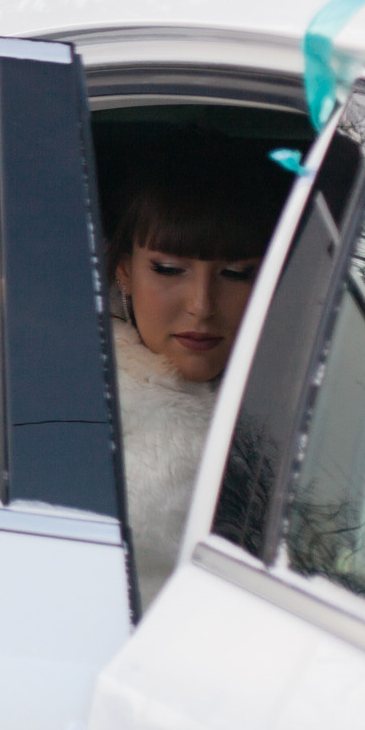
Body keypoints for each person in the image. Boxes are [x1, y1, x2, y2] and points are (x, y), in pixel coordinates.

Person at [106, 138, 294, 607]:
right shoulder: (71, 397)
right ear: (124, 272)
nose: (201, 306)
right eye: (169, 269)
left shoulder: (311, 392)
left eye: (236, 274)